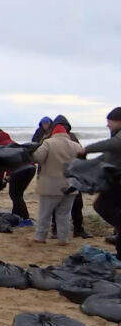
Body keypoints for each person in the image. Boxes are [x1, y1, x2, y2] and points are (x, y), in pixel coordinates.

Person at [30, 117, 82, 245]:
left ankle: (40, 237)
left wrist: (30, 152)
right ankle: (63, 239)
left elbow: (38, 157)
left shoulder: (48, 143)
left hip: (50, 185)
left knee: (45, 213)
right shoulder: (76, 145)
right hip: (70, 185)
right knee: (64, 214)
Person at [80, 107, 121, 257]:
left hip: (117, 182)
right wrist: (86, 164)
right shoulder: (116, 136)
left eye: (109, 121)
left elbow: (111, 145)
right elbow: (106, 156)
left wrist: (87, 149)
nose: (108, 125)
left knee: (101, 206)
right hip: (114, 181)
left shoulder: (118, 138)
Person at [47, 115, 91, 239]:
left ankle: (78, 229)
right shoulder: (49, 140)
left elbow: (82, 156)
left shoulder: (73, 138)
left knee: (77, 204)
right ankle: (55, 229)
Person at [0, 125, 35, 227]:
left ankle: (26, 219)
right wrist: (8, 176)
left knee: (15, 194)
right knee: (17, 194)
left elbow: (0, 167)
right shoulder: (11, 142)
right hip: (31, 167)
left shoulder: (0, 148)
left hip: (19, 169)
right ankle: (17, 216)